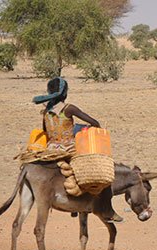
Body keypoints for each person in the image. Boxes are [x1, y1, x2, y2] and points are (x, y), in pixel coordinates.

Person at [32, 77, 122, 223]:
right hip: (68, 148)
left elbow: (46, 131)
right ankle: (107, 209)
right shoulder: (69, 108)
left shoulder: (46, 111)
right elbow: (94, 122)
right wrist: (81, 128)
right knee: (98, 173)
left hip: (50, 149)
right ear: (64, 93)